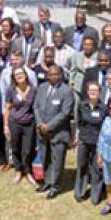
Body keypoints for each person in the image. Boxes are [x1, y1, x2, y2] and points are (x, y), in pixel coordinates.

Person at [34, 65, 74, 200]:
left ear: (61, 75)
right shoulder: (42, 87)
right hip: (42, 131)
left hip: (58, 133)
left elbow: (65, 113)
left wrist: (49, 126)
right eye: (50, 74)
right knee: (45, 157)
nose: (53, 77)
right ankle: (47, 181)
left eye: (56, 74)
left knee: (57, 161)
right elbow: (36, 107)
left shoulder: (67, 91)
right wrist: (40, 124)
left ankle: (55, 186)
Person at [74, 81, 108, 205]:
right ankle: (80, 192)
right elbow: (78, 122)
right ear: (87, 92)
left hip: (98, 143)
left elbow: (106, 127)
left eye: (96, 90)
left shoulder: (104, 108)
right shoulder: (82, 105)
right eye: (91, 90)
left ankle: (95, 195)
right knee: (82, 166)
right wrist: (77, 136)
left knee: (96, 168)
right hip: (83, 140)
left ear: (100, 92)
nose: (93, 92)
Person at [4, 67, 38, 186]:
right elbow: (7, 108)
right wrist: (6, 126)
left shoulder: (33, 89)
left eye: (21, 73)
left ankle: (28, 172)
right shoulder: (11, 90)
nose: (19, 75)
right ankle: (18, 171)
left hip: (29, 123)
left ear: (26, 74)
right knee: (15, 147)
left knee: (28, 150)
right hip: (14, 123)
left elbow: (36, 108)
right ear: (13, 77)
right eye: (16, 74)